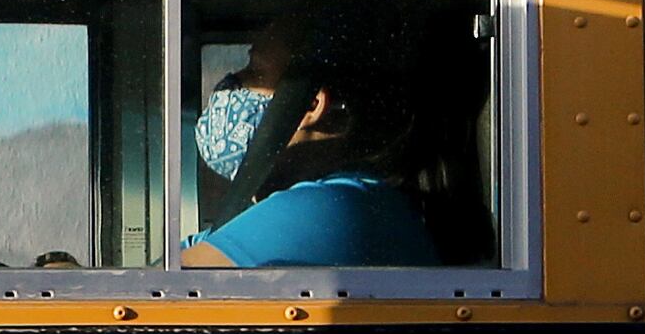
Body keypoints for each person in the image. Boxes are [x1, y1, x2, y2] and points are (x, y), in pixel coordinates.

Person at [179, 18, 448, 270]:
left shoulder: (333, 208)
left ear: (312, 105)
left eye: (255, 71)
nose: (229, 86)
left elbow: (161, 289)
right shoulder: (349, 199)